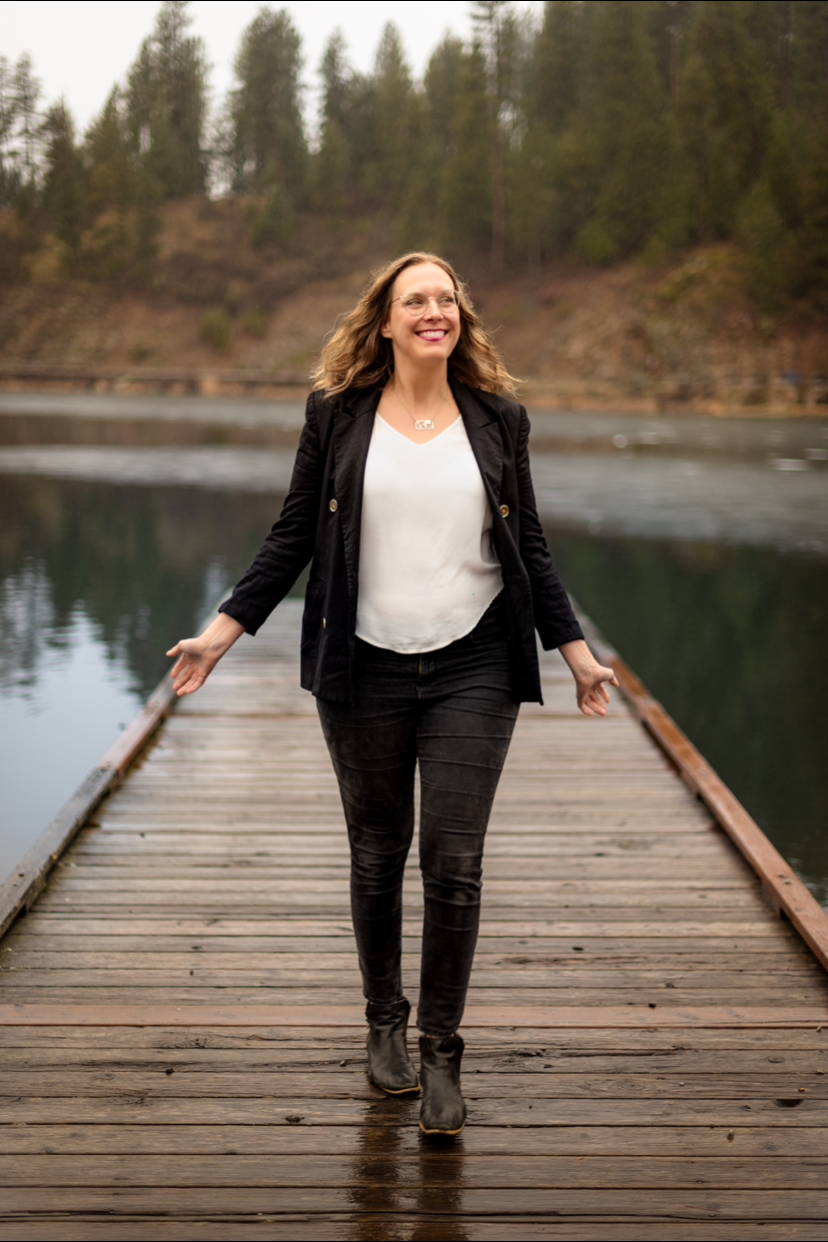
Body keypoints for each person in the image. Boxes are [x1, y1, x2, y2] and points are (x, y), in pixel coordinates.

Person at [166, 252, 619, 1137]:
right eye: (416, 300)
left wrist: (575, 651)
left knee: (454, 863)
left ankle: (442, 1048)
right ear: (386, 320)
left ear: (460, 317)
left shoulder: (499, 419)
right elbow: (294, 531)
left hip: (476, 662)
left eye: (446, 298)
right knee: (377, 852)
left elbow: (528, 546)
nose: (433, 311)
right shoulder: (335, 417)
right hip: (361, 663)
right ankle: (386, 1024)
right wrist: (224, 630)